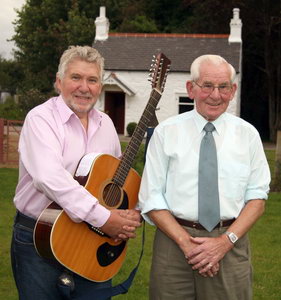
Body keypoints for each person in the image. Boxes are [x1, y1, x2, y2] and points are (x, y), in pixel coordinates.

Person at [11, 45, 141, 300]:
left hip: (92, 239)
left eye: (92, 80)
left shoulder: (106, 124)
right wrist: (104, 218)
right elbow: (48, 178)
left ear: (100, 87)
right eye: (76, 78)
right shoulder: (40, 119)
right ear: (59, 82)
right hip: (41, 236)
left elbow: (113, 179)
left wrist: (127, 213)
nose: (84, 87)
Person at [138, 54, 271, 300]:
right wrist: (186, 244)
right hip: (174, 243)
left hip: (230, 242)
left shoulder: (248, 135)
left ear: (233, 91)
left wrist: (225, 242)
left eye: (223, 87)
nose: (215, 95)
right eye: (207, 85)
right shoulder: (166, 133)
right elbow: (151, 196)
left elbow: (257, 198)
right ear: (191, 89)